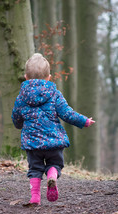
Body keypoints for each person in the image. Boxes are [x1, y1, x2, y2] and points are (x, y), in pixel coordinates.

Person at [11, 53, 95, 205]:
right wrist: (84, 121)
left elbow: (16, 117)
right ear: (49, 77)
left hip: (32, 143)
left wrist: (19, 125)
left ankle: (35, 198)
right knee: (55, 164)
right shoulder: (55, 94)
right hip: (53, 141)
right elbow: (67, 113)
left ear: (25, 77)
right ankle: (52, 175)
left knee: (35, 169)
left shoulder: (21, 97)